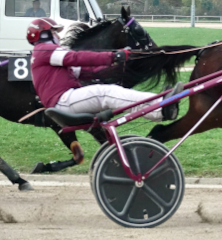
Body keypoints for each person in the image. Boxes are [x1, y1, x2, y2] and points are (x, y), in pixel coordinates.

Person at [27, 18, 183, 163]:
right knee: (105, 93)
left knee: (110, 92)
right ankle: (160, 108)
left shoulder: (48, 53)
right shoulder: (45, 49)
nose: (57, 36)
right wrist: (113, 56)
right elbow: (76, 57)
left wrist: (120, 63)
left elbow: (88, 71)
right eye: (54, 32)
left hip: (65, 100)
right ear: (45, 34)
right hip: (63, 101)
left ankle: (159, 106)